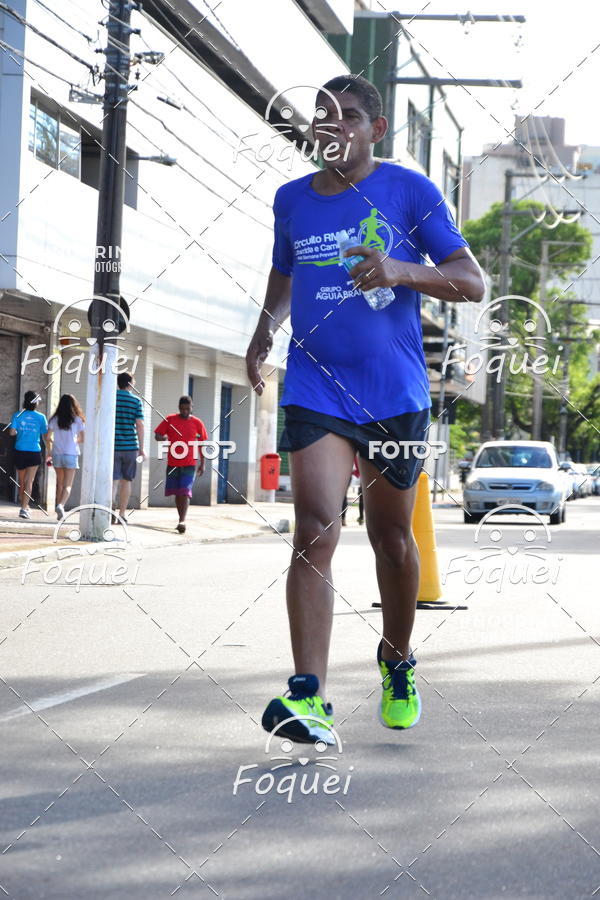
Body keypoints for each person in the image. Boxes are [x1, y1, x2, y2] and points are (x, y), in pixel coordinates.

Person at [246, 74, 484, 744]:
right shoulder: (290, 200)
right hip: (316, 385)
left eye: (348, 117)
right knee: (315, 529)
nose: (333, 127)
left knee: (393, 540)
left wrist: (400, 271)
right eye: (323, 117)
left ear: (376, 130)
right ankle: (309, 698)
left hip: (392, 393)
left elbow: (470, 280)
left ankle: (397, 659)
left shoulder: (411, 191)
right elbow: (285, 270)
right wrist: (265, 328)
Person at [154, 395, 208, 533]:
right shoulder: (170, 419)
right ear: (179, 408)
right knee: (177, 493)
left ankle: (182, 520)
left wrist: (203, 463)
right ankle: (180, 518)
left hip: (190, 463)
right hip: (173, 463)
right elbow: (157, 435)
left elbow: (202, 444)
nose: (185, 411)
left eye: (187, 409)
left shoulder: (197, 423)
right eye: (182, 408)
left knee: (185, 491)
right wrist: (163, 437)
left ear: (192, 408)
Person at [8, 390, 49, 519]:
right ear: (36, 403)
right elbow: (45, 436)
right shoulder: (41, 417)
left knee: (22, 481)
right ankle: (24, 508)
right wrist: (50, 451)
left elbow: (12, 433)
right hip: (34, 451)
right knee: (29, 481)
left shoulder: (17, 415)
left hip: (20, 450)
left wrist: (18, 431)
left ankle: (24, 505)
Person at [47, 394, 85, 520]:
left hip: (57, 454)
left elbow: (48, 438)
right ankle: (61, 506)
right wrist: (75, 441)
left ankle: (59, 510)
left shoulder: (54, 419)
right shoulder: (77, 420)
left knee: (60, 483)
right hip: (71, 454)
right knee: (68, 485)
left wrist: (50, 450)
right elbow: (83, 438)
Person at [113, 371, 145, 522]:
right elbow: (139, 424)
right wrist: (141, 448)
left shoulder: (111, 398)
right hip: (131, 446)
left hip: (112, 446)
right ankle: (122, 514)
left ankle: (109, 510)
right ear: (130, 383)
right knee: (127, 481)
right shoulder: (136, 401)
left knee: (112, 480)